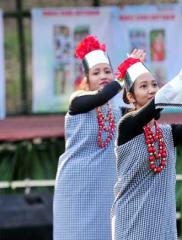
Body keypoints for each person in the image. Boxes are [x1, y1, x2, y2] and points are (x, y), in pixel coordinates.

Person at [111, 51, 182, 240]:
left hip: (162, 223)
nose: (151, 90)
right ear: (131, 97)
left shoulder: (166, 133)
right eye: (144, 86)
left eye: (154, 85)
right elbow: (156, 105)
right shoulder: (127, 125)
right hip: (132, 223)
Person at [53, 35, 144, 240]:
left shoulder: (118, 108)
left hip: (106, 183)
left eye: (107, 71)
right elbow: (101, 96)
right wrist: (125, 71)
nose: (103, 75)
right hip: (77, 184)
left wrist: (136, 77)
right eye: (96, 72)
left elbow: (144, 112)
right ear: (86, 78)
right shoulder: (78, 99)